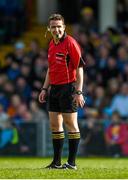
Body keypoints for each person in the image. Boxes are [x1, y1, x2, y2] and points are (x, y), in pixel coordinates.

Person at [39, 13, 85, 170]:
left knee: (70, 124)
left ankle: (72, 163)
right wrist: (45, 88)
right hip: (55, 88)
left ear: (64, 27)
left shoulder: (71, 43)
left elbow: (79, 68)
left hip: (69, 87)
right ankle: (56, 162)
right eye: (53, 26)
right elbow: (50, 70)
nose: (56, 29)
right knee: (54, 125)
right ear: (49, 28)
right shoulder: (51, 44)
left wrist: (78, 92)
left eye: (59, 26)